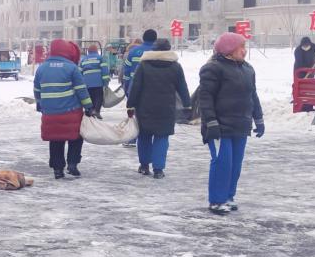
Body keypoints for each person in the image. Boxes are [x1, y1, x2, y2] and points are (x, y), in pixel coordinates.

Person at [196, 32, 264, 215]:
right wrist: (210, 122)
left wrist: (258, 118)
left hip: (240, 125)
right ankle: (216, 201)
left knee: (235, 164)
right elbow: (205, 97)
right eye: (241, 47)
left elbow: (253, 95)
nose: (245, 51)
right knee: (222, 163)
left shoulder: (248, 69)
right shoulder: (212, 68)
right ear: (229, 49)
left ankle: (228, 196)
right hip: (219, 126)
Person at [126, 38, 190, 179]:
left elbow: (135, 87)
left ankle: (144, 166)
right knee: (162, 137)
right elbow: (182, 87)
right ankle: (158, 169)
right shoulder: (175, 66)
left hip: (144, 107)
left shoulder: (143, 65)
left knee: (144, 136)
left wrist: (130, 104)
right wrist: (187, 105)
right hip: (166, 108)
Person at [34, 39, 94, 179]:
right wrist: (89, 107)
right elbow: (81, 90)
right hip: (71, 111)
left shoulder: (41, 68)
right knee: (76, 138)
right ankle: (72, 164)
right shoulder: (72, 68)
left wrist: (40, 104)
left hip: (50, 113)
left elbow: (37, 90)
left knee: (55, 140)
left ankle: (57, 169)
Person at [79, 45, 111, 117]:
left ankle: (90, 111)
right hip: (98, 83)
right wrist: (106, 82)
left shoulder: (83, 59)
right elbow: (104, 70)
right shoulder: (100, 58)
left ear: (88, 51)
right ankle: (96, 111)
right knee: (99, 97)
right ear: (96, 51)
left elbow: (79, 72)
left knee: (90, 97)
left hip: (87, 83)